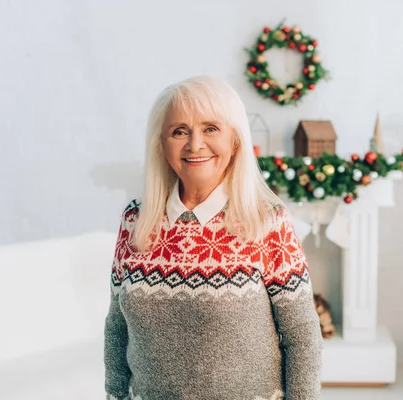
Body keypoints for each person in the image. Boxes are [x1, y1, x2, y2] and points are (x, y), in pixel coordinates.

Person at [104, 75, 323, 400]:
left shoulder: (266, 219)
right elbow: (117, 327)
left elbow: (302, 335)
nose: (195, 144)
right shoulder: (135, 218)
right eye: (179, 131)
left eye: (210, 129)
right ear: (161, 144)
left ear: (235, 139)